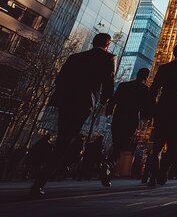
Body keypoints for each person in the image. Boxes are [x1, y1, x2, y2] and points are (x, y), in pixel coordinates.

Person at [31, 33, 115, 196]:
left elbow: (59, 79)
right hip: (83, 103)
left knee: (65, 136)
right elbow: (109, 82)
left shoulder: (75, 57)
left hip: (66, 101)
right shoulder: (108, 58)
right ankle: (42, 180)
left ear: (92, 41)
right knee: (66, 140)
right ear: (108, 44)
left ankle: (46, 175)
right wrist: (104, 100)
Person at [147, 43, 177, 187]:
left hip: (163, 107)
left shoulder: (164, 68)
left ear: (173, 52)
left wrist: (152, 109)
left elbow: (154, 89)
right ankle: (163, 171)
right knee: (175, 143)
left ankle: (154, 175)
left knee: (158, 145)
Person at [105, 68, 152, 174]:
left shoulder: (123, 85)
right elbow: (146, 108)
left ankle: (109, 165)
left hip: (118, 116)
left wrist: (109, 111)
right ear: (146, 77)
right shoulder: (144, 89)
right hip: (131, 119)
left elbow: (114, 99)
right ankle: (109, 164)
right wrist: (145, 120)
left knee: (116, 142)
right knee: (123, 144)